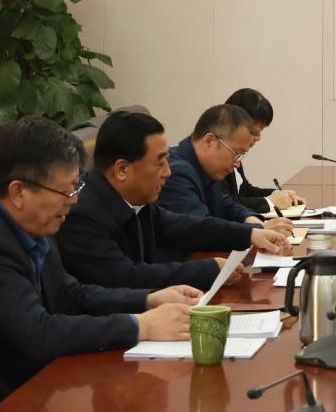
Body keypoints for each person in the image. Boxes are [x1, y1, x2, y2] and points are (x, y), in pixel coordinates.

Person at [0, 116, 195, 407]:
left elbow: (71, 295)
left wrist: (148, 299)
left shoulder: (30, 224)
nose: (74, 200)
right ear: (19, 192)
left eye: (76, 187)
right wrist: (141, 326)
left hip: (22, 393)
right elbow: (39, 333)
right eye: (66, 191)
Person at [59, 109, 291, 292]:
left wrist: (249, 234)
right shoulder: (81, 212)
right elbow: (126, 278)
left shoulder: (135, 199)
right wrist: (208, 269)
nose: (168, 172)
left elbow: (183, 225)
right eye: (159, 162)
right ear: (122, 169)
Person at [159, 104, 295, 237]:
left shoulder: (206, 167)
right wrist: (254, 231)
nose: (237, 164)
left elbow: (225, 204)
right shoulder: (175, 173)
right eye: (236, 154)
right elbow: (201, 232)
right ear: (209, 142)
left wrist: (251, 219)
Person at [222, 87, 306, 217]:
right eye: (255, 131)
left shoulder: (236, 152)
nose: (258, 138)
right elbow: (223, 203)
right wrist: (270, 202)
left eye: (260, 131)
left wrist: (276, 195)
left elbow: (244, 190)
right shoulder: (220, 154)